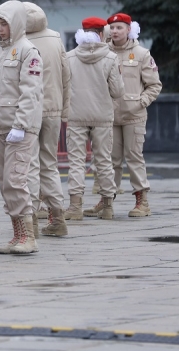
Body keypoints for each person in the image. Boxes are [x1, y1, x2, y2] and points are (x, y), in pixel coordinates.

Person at [0, 1, 44, 255]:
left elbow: (30, 92)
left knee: (16, 180)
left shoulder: (28, 51)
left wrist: (21, 124)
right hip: (0, 126)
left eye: (4, 24)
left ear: (16, 23)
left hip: (20, 127)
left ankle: (28, 237)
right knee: (4, 184)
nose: (0, 29)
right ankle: (17, 234)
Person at [64, 17, 124, 221]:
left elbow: (64, 87)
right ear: (101, 34)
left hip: (76, 115)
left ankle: (75, 207)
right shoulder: (111, 57)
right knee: (104, 161)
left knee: (76, 162)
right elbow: (117, 91)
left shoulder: (70, 56)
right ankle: (107, 207)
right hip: (102, 115)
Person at [107, 13, 162, 216]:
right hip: (110, 116)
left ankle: (142, 201)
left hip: (134, 116)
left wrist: (141, 102)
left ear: (128, 29)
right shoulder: (105, 53)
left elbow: (154, 85)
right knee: (110, 160)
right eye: (112, 28)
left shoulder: (141, 54)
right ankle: (106, 201)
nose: (114, 31)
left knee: (134, 157)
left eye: (119, 28)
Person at [23, 2, 70, 237]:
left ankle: (30, 219)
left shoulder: (18, 42)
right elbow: (66, 77)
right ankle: (57, 217)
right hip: (53, 108)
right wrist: (65, 109)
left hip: (28, 110)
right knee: (50, 164)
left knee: (30, 164)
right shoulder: (56, 39)